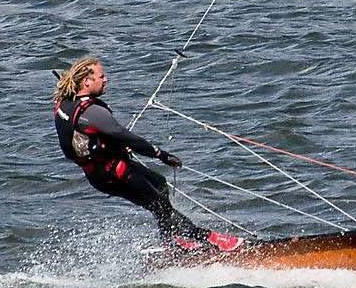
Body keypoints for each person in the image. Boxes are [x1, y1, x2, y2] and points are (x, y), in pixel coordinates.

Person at [53, 56, 242, 254]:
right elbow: (126, 136)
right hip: (113, 174)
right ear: (87, 81)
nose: (106, 79)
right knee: (161, 207)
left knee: (160, 184)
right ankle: (211, 239)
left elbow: (86, 136)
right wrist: (161, 155)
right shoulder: (91, 112)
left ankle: (172, 241)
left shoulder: (64, 104)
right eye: (102, 77)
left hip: (102, 172)